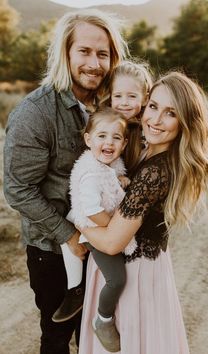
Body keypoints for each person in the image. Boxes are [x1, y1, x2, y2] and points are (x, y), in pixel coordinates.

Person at [3, 8, 128, 354]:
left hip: (108, 241)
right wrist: (69, 235)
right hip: (54, 250)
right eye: (84, 52)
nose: (94, 62)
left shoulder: (113, 105)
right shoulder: (35, 113)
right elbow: (17, 188)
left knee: (104, 334)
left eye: (102, 53)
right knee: (58, 338)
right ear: (65, 53)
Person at [78, 71, 208, 354]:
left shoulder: (155, 171)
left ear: (184, 122)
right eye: (153, 106)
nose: (155, 119)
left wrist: (76, 219)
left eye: (170, 113)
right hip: (138, 270)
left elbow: (112, 242)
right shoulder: (144, 151)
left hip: (134, 278)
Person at [55, 108, 139, 352]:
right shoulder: (91, 174)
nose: (108, 143)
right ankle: (103, 319)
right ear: (88, 139)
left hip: (102, 225)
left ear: (124, 143)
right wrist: (115, 229)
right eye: (102, 136)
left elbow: (113, 179)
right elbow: (92, 211)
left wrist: (120, 178)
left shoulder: (109, 165)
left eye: (116, 138)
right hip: (94, 229)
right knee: (117, 279)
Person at [110, 60, 153, 174]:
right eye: (118, 96)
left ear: (145, 99)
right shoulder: (104, 124)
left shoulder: (148, 131)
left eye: (132, 96)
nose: (124, 102)